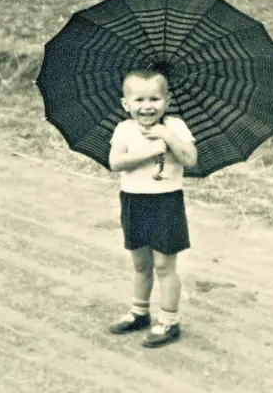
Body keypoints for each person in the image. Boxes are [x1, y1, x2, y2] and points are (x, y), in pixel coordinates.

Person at [108, 69, 197, 348]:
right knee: (141, 263)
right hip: (134, 200)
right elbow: (115, 162)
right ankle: (139, 312)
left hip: (165, 202)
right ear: (126, 104)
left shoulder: (176, 126)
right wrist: (150, 149)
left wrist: (167, 137)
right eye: (139, 100)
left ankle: (169, 320)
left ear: (167, 101)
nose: (147, 106)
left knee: (164, 264)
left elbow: (190, 159)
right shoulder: (124, 129)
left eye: (155, 99)